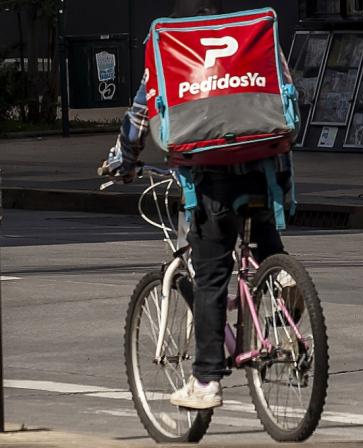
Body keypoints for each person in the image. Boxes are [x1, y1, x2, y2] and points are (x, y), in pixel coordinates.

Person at [103, 0, 296, 410]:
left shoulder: (169, 49)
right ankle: (280, 277)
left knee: (210, 274)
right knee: (261, 232)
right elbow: (289, 95)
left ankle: (206, 379)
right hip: (263, 166)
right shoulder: (255, 41)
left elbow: (139, 118)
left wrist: (123, 162)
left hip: (212, 178)